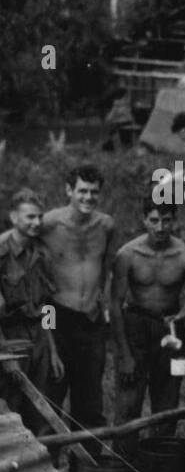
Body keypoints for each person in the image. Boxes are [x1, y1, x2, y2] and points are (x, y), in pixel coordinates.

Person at [42, 165, 117, 443]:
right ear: (68, 190)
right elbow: (13, 240)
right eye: (82, 191)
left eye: (94, 192)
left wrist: (104, 302)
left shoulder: (106, 225)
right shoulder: (49, 223)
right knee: (51, 399)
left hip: (92, 321)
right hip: (58, 317)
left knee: (90, 403)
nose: (88, 197)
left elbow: (107, 267)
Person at [111, 200, 185, 435]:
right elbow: (115, 304)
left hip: (170, 328)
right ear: (144, 220)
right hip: (135, 326)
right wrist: (124, 354)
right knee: (128, 404)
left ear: (174, 220)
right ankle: (123, 466)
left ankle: (159, 467)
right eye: (154, 220)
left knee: (167, 402)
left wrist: (181, 315)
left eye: (166, 220)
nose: (160, 227)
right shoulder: (127, 254)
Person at [0, 190, 63, 434]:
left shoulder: (43, 254)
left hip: (39, 337)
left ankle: (41, 468)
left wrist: (53, 351)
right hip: (9, 336)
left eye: (40, 217)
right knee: (8, 407)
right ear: (14, 217)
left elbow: (48, 306)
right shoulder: (2, 253)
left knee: (40, 409)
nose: (37, 223)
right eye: (30, 217)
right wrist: (4, 352)